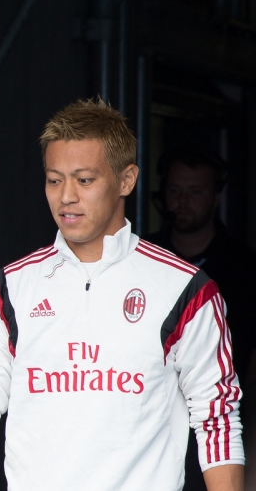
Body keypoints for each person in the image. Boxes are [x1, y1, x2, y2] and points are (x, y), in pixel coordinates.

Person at [0, 99, 244, 491]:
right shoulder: (11, 287)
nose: (66, 196)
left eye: (85, 180)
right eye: (54, 180)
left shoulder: (185, 288)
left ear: (126, 180)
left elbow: (216, 415)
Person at [146, 149, 256, 491]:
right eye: (175, 190)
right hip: (150, 421)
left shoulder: (244, 267)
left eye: (195, 192)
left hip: (223, 418)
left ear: (216, 198)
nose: (183, 201)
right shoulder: (144, 260)